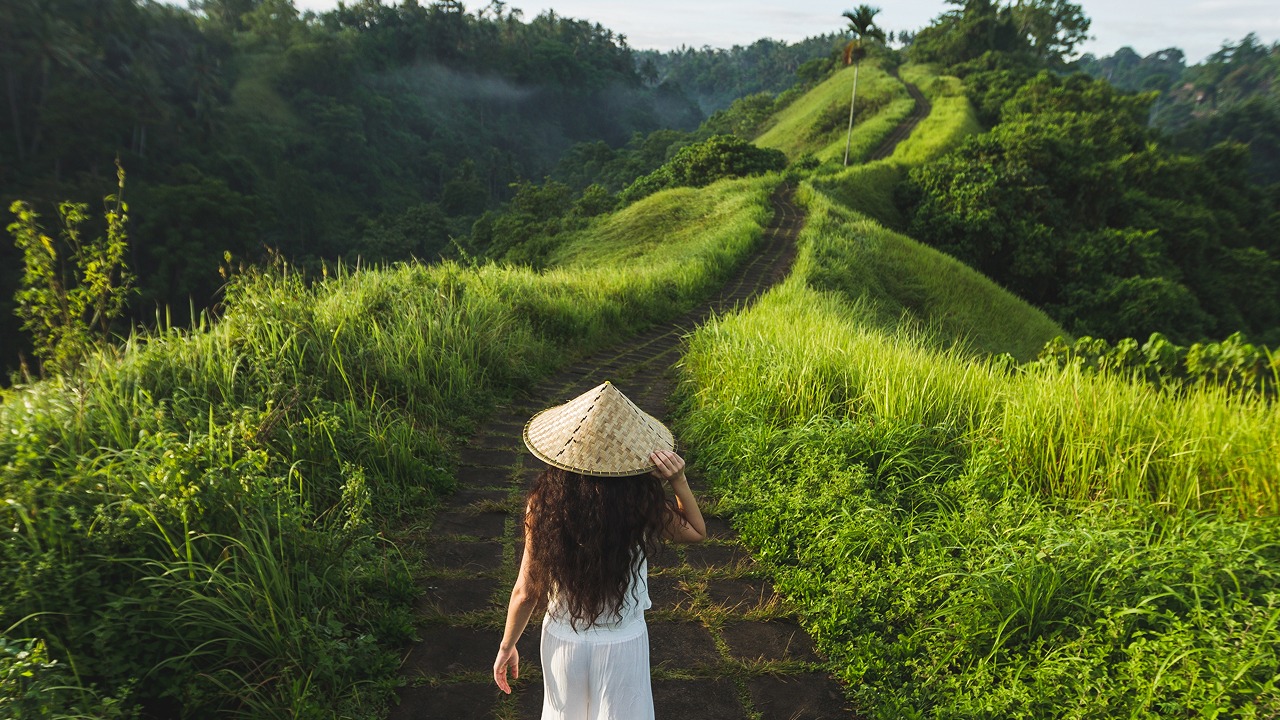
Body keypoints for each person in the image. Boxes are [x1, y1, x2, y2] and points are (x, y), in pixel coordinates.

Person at [493, 381, 707, 719]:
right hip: (623, 642)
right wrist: (678, 480)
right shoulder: (640, 502)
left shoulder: (544, 502)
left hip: (563, 639)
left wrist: (507, 646)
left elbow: (526, 590)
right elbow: (695, 532)